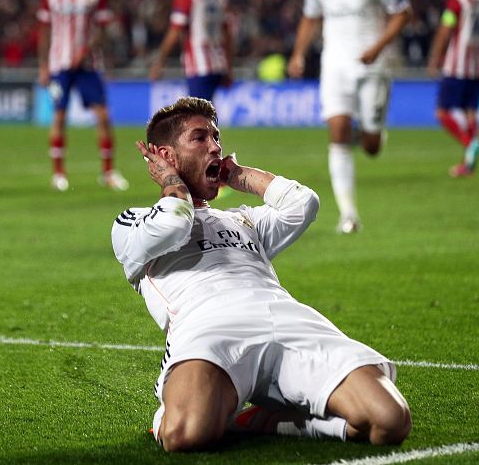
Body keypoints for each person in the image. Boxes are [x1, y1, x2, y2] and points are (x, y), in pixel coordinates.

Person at [111, 97, 411, 452]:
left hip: (285, 319)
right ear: (167, 155)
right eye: (199, 138)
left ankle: (268, 420)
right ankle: (179, 406)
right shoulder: (134, 223)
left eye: (216, 137)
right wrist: (170, 179)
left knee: (389, 420)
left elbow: (304, 204)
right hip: (209, 329)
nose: (216, 146)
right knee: (184, 434)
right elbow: (175, 222)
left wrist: (238, 176)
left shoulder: (243, 219)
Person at [287, 0, 411, 234]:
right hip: (335, 66)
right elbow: (310, 18)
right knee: (338, 131)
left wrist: (378, 47)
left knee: (370, 146)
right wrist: (299, 53)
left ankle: (373, 134)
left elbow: (402, 12)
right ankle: (348, 214)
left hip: (372, 67)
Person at [37, 0, 128, 192]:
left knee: (103, 116)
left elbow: (103, 28)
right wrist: (43, 65)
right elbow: (44, 31)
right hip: (59, 66)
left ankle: (108, 172)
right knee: (58, 115)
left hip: (88, 65)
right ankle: (58, 174)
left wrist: (86, 50)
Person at [427, 0, 479, 177]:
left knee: (442, 112)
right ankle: (468, 165)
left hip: (458, 66)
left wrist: (435, 58)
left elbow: (445, 30)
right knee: (470, 113)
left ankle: (470, 143)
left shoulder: (456, 1)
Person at [150, 0, 233, 101]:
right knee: (205, 113)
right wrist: (228, 66)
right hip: (218, 61)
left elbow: (175, 30)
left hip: (198, 63)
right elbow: (227, 32)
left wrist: (160, 61)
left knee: (198, 117)